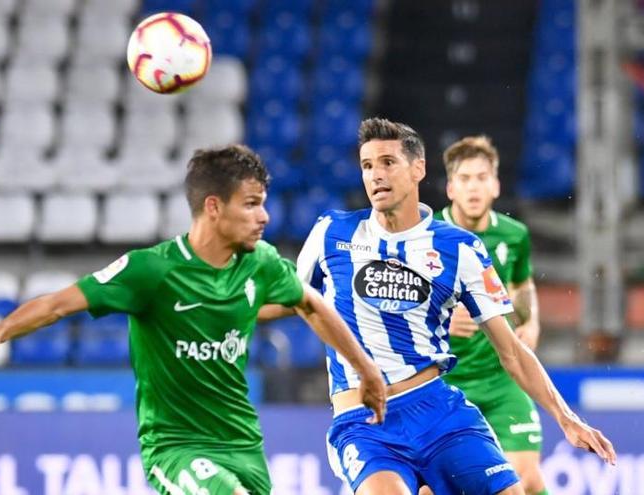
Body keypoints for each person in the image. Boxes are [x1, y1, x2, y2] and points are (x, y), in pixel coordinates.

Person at [0, 144, 387, 495]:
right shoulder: (151, 271)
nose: (264, 217)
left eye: (264, 203)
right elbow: (59, 304)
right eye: (252, 204)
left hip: (244, 445)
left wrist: (366, 370)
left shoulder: (261, 263)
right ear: (213, 207)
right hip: (176, 448)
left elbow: (310, 304)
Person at [259, 118, 615, 495]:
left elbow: (510, 349)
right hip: (365, 423)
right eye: (367, 166)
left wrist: (566, 418)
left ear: (418, 169)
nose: (375, 175)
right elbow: (290, 302)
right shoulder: (331, 232)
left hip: (439, 410)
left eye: (387, 162)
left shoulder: (459, 248)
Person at [430, 135, 549, 495]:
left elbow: (522, 283)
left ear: (495, 185)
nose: (474, 187)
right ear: (451, 188)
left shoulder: (514, 235)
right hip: (444, 382)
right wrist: (442, 318)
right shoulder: (427, 236)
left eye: (482, 177)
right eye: (465, 179)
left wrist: (531, 320)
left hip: (501, 381)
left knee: (524, 479)